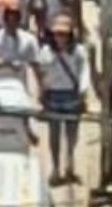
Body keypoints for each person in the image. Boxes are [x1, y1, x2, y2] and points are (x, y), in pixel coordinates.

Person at [37, 15, 91, 185]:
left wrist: (83, 91)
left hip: (71, 95)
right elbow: (42, 72)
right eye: (57, 34)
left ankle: (70, 164)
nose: (60, 38)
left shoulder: (78, 52)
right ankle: (55, 167)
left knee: (72, 134)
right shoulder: (46, 52)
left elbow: (84, 72)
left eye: (64, 34)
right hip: (53, 94)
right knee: (54, 135)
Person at [0, 7, 39, 85]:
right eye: (9, 21)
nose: (12, 24)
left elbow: (34, 64)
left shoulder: (29, 39)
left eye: (14, 21)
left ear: (19, 22)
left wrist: (39, 84)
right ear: (5, 22)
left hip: (20, 83)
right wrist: (9, 63)